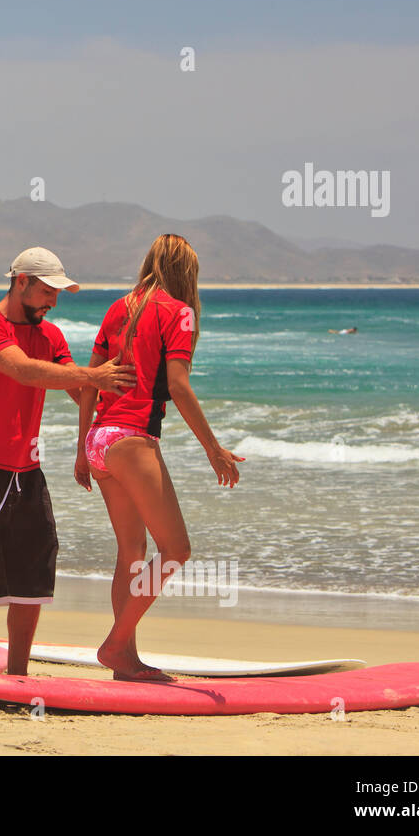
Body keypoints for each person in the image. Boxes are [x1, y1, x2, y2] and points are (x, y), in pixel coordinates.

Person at [0, 248, 136, 676]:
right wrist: (93, 376)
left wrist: (120, 415)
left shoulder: (51, 336)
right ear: (21, 281)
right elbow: (22, 370)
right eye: (47, 290)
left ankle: (16, 674)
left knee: (31, 579)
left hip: (27, 473)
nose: (53, 301)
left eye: (57, 292)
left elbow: (77, 388)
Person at [74, 234, 243, 680]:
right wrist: (214, 448)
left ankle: (125, 658)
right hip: (130, 439)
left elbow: (90, 380)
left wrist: (79, 450)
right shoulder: (178, 312)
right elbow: (180, 385)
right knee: (176, 549)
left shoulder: (118, 307)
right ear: (188, 272)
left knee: (131, 551)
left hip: (99, 440)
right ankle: (115, 645)